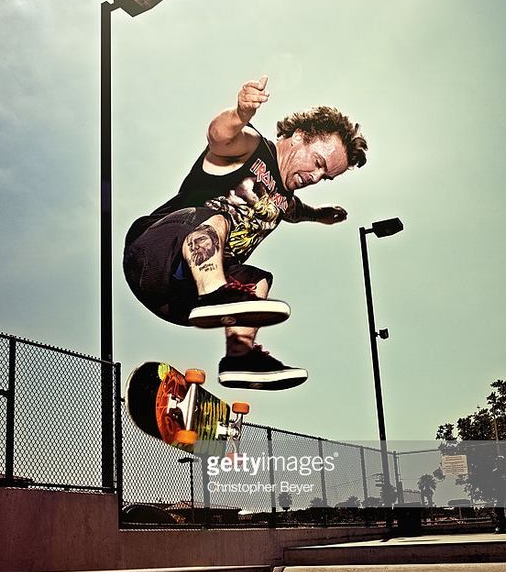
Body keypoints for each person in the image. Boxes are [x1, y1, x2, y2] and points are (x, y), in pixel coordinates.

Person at [123, 76, 368, 390]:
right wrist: (239, 115)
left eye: (326, 176)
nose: (316, 177)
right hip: (152, 254)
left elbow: (295, 211)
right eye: (318, 163)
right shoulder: (252, 146)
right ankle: (216, 291)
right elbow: (219, 137)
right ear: (299, 136)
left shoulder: (284, 200)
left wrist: (320, 215)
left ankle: (239, 358)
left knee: (257, 280)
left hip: (178, 302)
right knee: (217, 218)